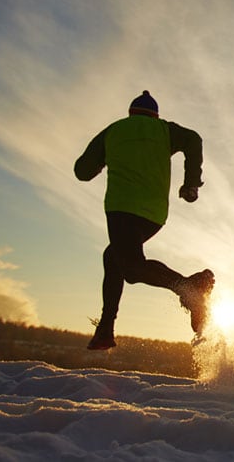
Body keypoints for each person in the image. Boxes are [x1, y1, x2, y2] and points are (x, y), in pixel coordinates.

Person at [74, 90, 214, 350]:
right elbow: (194, 139)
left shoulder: (114, 131)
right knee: (114, 256)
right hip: (154, 214)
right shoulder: (164, 131)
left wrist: (102, 162)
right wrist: (191, 183)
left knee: (132, 268)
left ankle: (189, 288)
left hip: (121, 209)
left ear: (131, 113)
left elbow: (82, 171)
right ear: (155, 115)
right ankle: (105, 329)